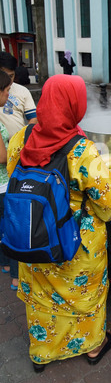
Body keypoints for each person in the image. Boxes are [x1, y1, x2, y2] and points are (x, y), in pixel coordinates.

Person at [6, 74, 111, 372]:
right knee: (84, 296)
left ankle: (42, 353)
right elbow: (109, 204)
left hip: (35, 236)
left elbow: (13, 173)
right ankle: (93, 347)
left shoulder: (23, 138)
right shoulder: (82, 151)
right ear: (75, 105)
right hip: (75, 245)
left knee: (42, 300)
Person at [0, 70, 18, 290]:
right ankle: (16, 276)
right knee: (13, 227)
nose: (7, 96)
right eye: (6, 92)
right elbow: (2, 157)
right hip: (3, 184)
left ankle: (4, 264)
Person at [0, 52, 37, 139]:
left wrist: (25, 137)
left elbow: (33, 118)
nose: (9, 80)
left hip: (17, 146)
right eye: (5, 76)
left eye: (11, 76)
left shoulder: (22, 91)